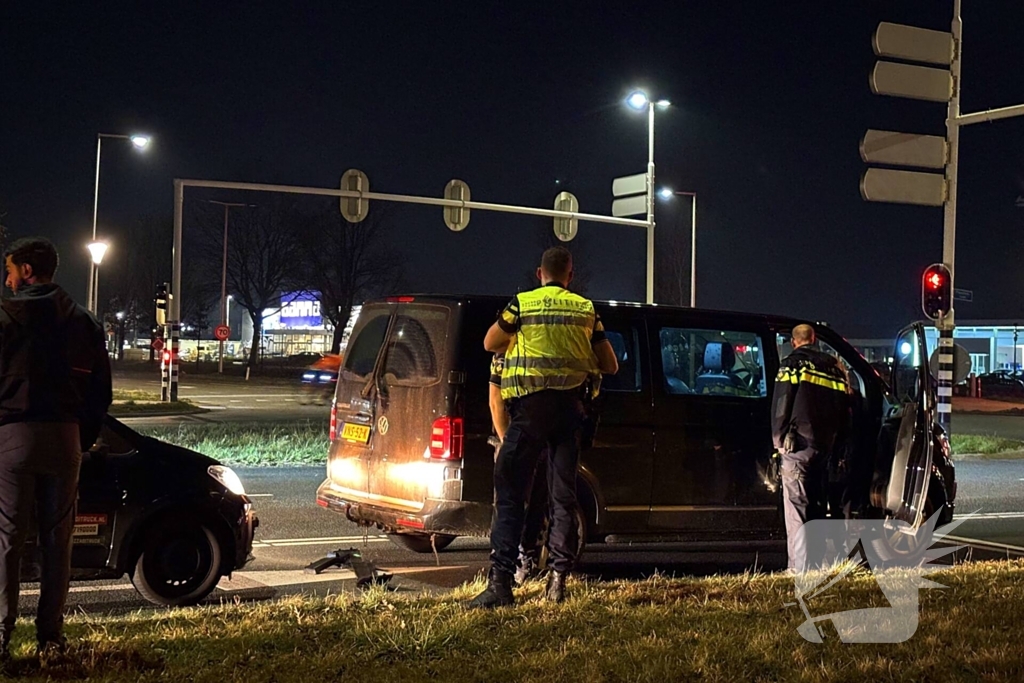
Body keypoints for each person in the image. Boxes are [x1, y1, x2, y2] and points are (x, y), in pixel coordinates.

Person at [469, 247, 618, 608]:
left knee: (509, 495)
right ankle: (557, 581)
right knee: (562, 498)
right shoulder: (586, 309)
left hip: (530, 411)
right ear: (570, 275)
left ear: (540, 273)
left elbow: (490, 343)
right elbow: (610, 365)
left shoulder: (522, 305)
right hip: (569, 412)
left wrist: (516, 340)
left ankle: (501, 584)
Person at [0, 238, 111, 662]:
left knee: (8, 538)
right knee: (57, 540)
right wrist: (80, 438)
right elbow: (100, 392)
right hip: (65, 437)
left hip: (14, 436)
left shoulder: (6, 317)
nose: (7, 279)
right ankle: (50, 636)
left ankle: (2, 636)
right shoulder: (84, 322)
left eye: (10, 269)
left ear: (28, 271)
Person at [771, 324, 849, 573]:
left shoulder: (791, 365)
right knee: (816, 506)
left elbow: (782, 403)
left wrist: (778, 440)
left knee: (797, 508)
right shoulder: (833, 367)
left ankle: (799, 570)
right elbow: (844, 408)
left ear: (795, 342)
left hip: (798, 446)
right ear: (814, 340)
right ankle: (814, 565)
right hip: (825, 446)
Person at [488, 347, 548, 586]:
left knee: (529, 502)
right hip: (520, 435)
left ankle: (519, 561)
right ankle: (510, 564)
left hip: (527, 435)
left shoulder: (521, 348)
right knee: (513, 503)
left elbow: (496, 400)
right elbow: (496, 401)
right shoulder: (507, 353)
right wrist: (507, 443)